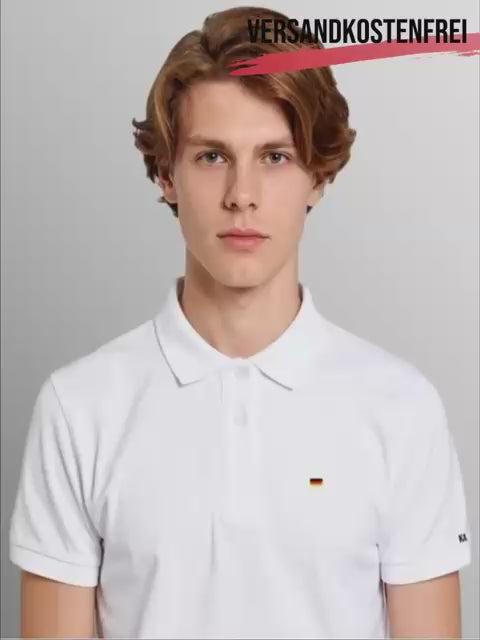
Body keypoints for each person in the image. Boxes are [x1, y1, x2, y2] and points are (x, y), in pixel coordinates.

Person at [9, 5, 472, 639]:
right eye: (212, 156)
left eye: (275, 157)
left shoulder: (401, 409)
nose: (242, 194)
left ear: (318, 176)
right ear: (167, 175)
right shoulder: (80, 407)